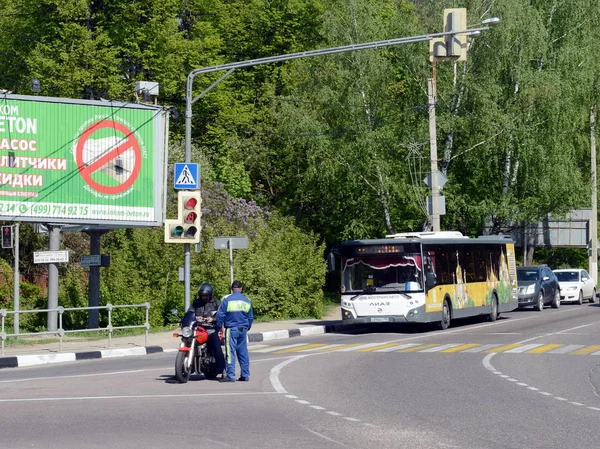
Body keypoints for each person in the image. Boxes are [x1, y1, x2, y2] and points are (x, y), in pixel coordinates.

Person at [215, 280, 254, 382]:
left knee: (230, 352)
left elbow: (221, 314)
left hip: (231, 329)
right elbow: (250, 317)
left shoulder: (227, 299)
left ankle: (230, 376)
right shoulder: (247, 300)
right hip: (243, 330)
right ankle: (245, 375)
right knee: (243, 353)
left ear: (232, 289)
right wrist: (248, 326)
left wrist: (218, 326)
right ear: (241, 289)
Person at [187, 282, 225, 377]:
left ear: (211, 294)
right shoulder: (196, 303)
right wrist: (195, 318)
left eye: (206, 295)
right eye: (203, 295)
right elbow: (189, 313)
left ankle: (222, 369)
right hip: (198, 328)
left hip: (212, 328)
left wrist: (213, 319)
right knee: (187, 339)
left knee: (217, 346)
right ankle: (186, 367)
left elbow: (222, 314)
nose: (204, 297)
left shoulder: (216, 303)